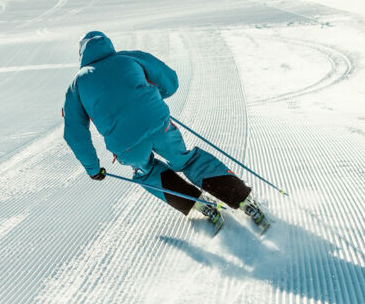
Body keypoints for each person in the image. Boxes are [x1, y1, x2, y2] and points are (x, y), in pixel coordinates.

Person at [62, 31, 270, 232]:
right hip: (158, 123)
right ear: (108, 43)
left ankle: (198, 204)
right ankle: (242, 198)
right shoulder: (129, 58)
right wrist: (151, 99)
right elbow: (170, 81)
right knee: (185, 160)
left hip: (125, 144)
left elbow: (75, 134)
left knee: (146, 171)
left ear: (82, 54)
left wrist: (93, 169)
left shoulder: (76, 85)